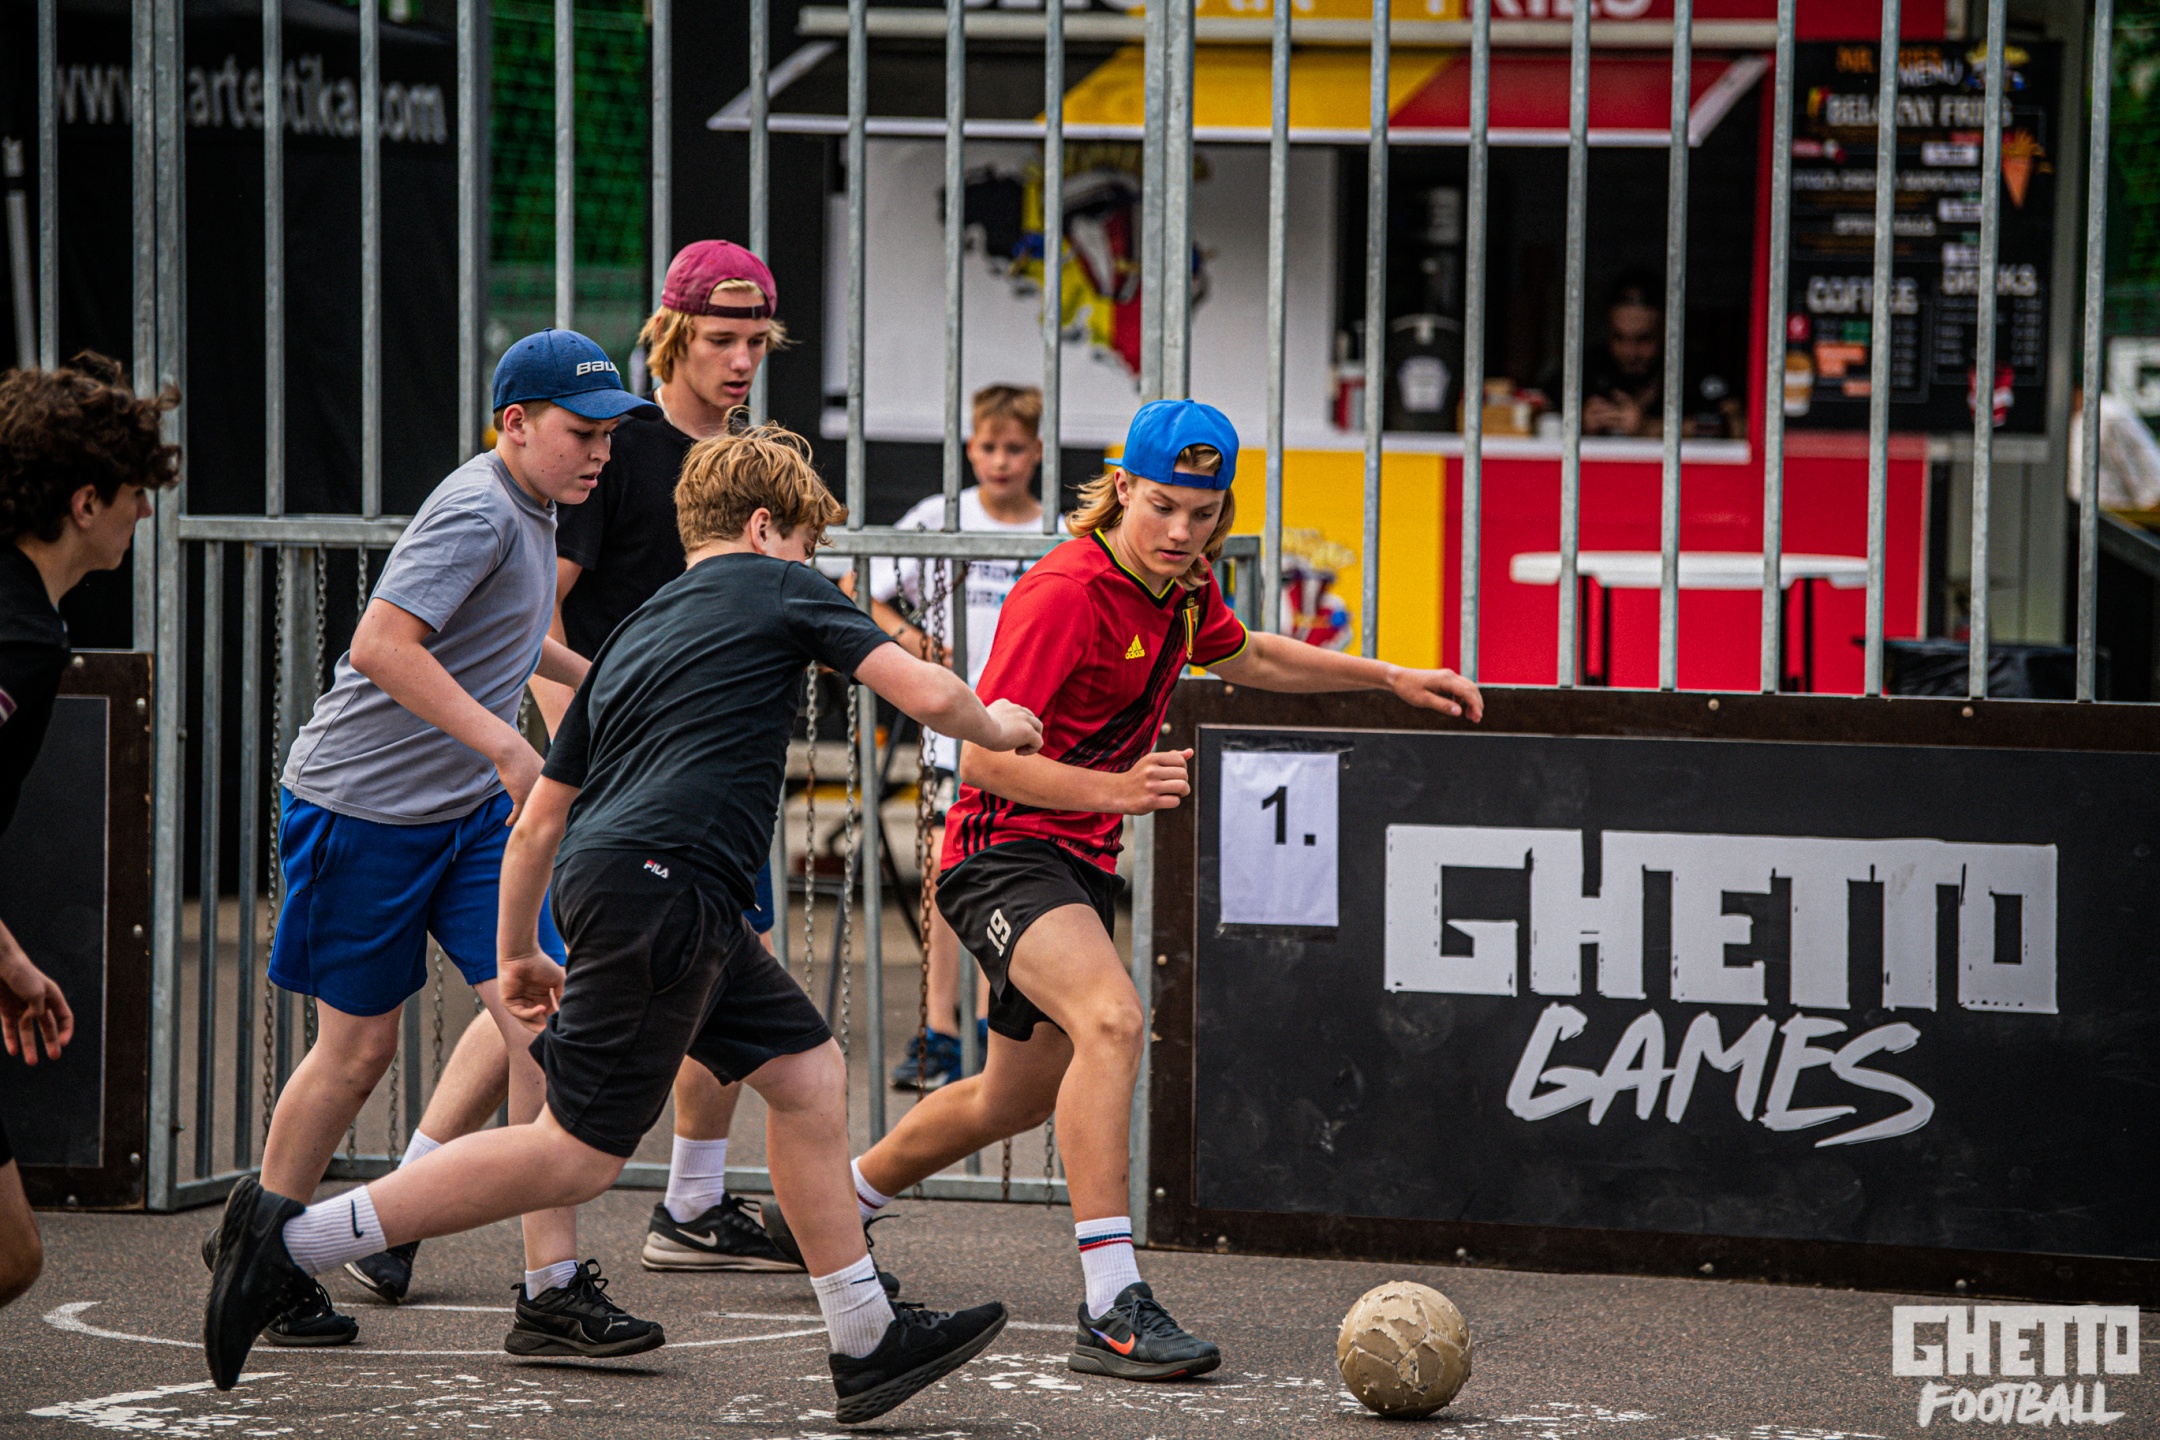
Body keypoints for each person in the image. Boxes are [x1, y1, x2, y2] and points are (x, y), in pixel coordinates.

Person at [204, 424, 1044, 1426]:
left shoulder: (640, 631)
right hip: (667, 890)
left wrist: (518, 949)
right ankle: (285, 1244)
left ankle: (866, 1337)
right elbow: (929, 691)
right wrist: (999, 726)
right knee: (575, 1153)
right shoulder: (781, 586)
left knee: (808, 1073)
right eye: (807, 540)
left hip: (646, 887)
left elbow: (539, 820)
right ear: (765, 526)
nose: (809, 559)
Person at [785, 399, 1483, 1382]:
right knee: (1113, 1019)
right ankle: (1113, 1304)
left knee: (1010, 1100)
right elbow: (983, 761)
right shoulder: (1065, 594)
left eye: (1203, 512)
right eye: (1162, 506)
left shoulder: (1185, 588)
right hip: (1001, 851)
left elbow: (1251, 655)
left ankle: (832, 1206)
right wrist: (1119, 789)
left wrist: (1391, 675)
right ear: (1121, 488)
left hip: (1073, 860)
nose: (1181, 531)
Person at [345, 241, 797, 1301]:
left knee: (657, 976)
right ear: (670, 336)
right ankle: (405, 1212)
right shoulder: (611, 449)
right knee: (553, 992)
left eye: (757, 342)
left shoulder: (747, 460)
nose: (741, 361)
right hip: (626, 778)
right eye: (720, 339)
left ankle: (688, 1202)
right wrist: (573, 758)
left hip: (704, 771)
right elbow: (532, 620)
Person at [218, 330, 660, 1353]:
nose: (601, 453)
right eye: (583, 433)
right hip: (361, 811)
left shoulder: (536, 506)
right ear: (516, 424)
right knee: (358, 1050)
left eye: (610, 436)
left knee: (541, 1019)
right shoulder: (477, 507)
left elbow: (507, 631)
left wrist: (606, 679)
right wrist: (508, 745)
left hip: (463, 820)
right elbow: (381, 645)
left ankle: (551, 1289)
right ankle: (264, 1251)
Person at [0, 356, 179, 1311]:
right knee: (11, 1256)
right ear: (83, 503)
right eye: (133, 494)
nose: (143, 512)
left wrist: (8, 958)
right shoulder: (21, 642)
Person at [874, 384, 1046, 1092]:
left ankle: (988, 1025)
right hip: (952, 736)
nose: (1001, 461)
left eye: (1015, 448)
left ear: (1038, 452)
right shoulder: (937, 517)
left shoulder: (1056, 532)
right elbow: (860, 587)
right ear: (970, 449)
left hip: (1031, 737)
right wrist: (912, 643)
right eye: (988, 446)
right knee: (946, 881)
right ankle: (938, 1029)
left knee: (1010, 879)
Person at [1534, 270, 1741, 439]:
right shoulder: (1587, 366)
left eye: (1643, 339)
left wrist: (1652, 428)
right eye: (1619, 337)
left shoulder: (1694, 368)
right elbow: (1530, 410)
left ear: (1667, 334)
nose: (1630, 352)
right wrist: (1574, 422)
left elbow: (1741, 426)